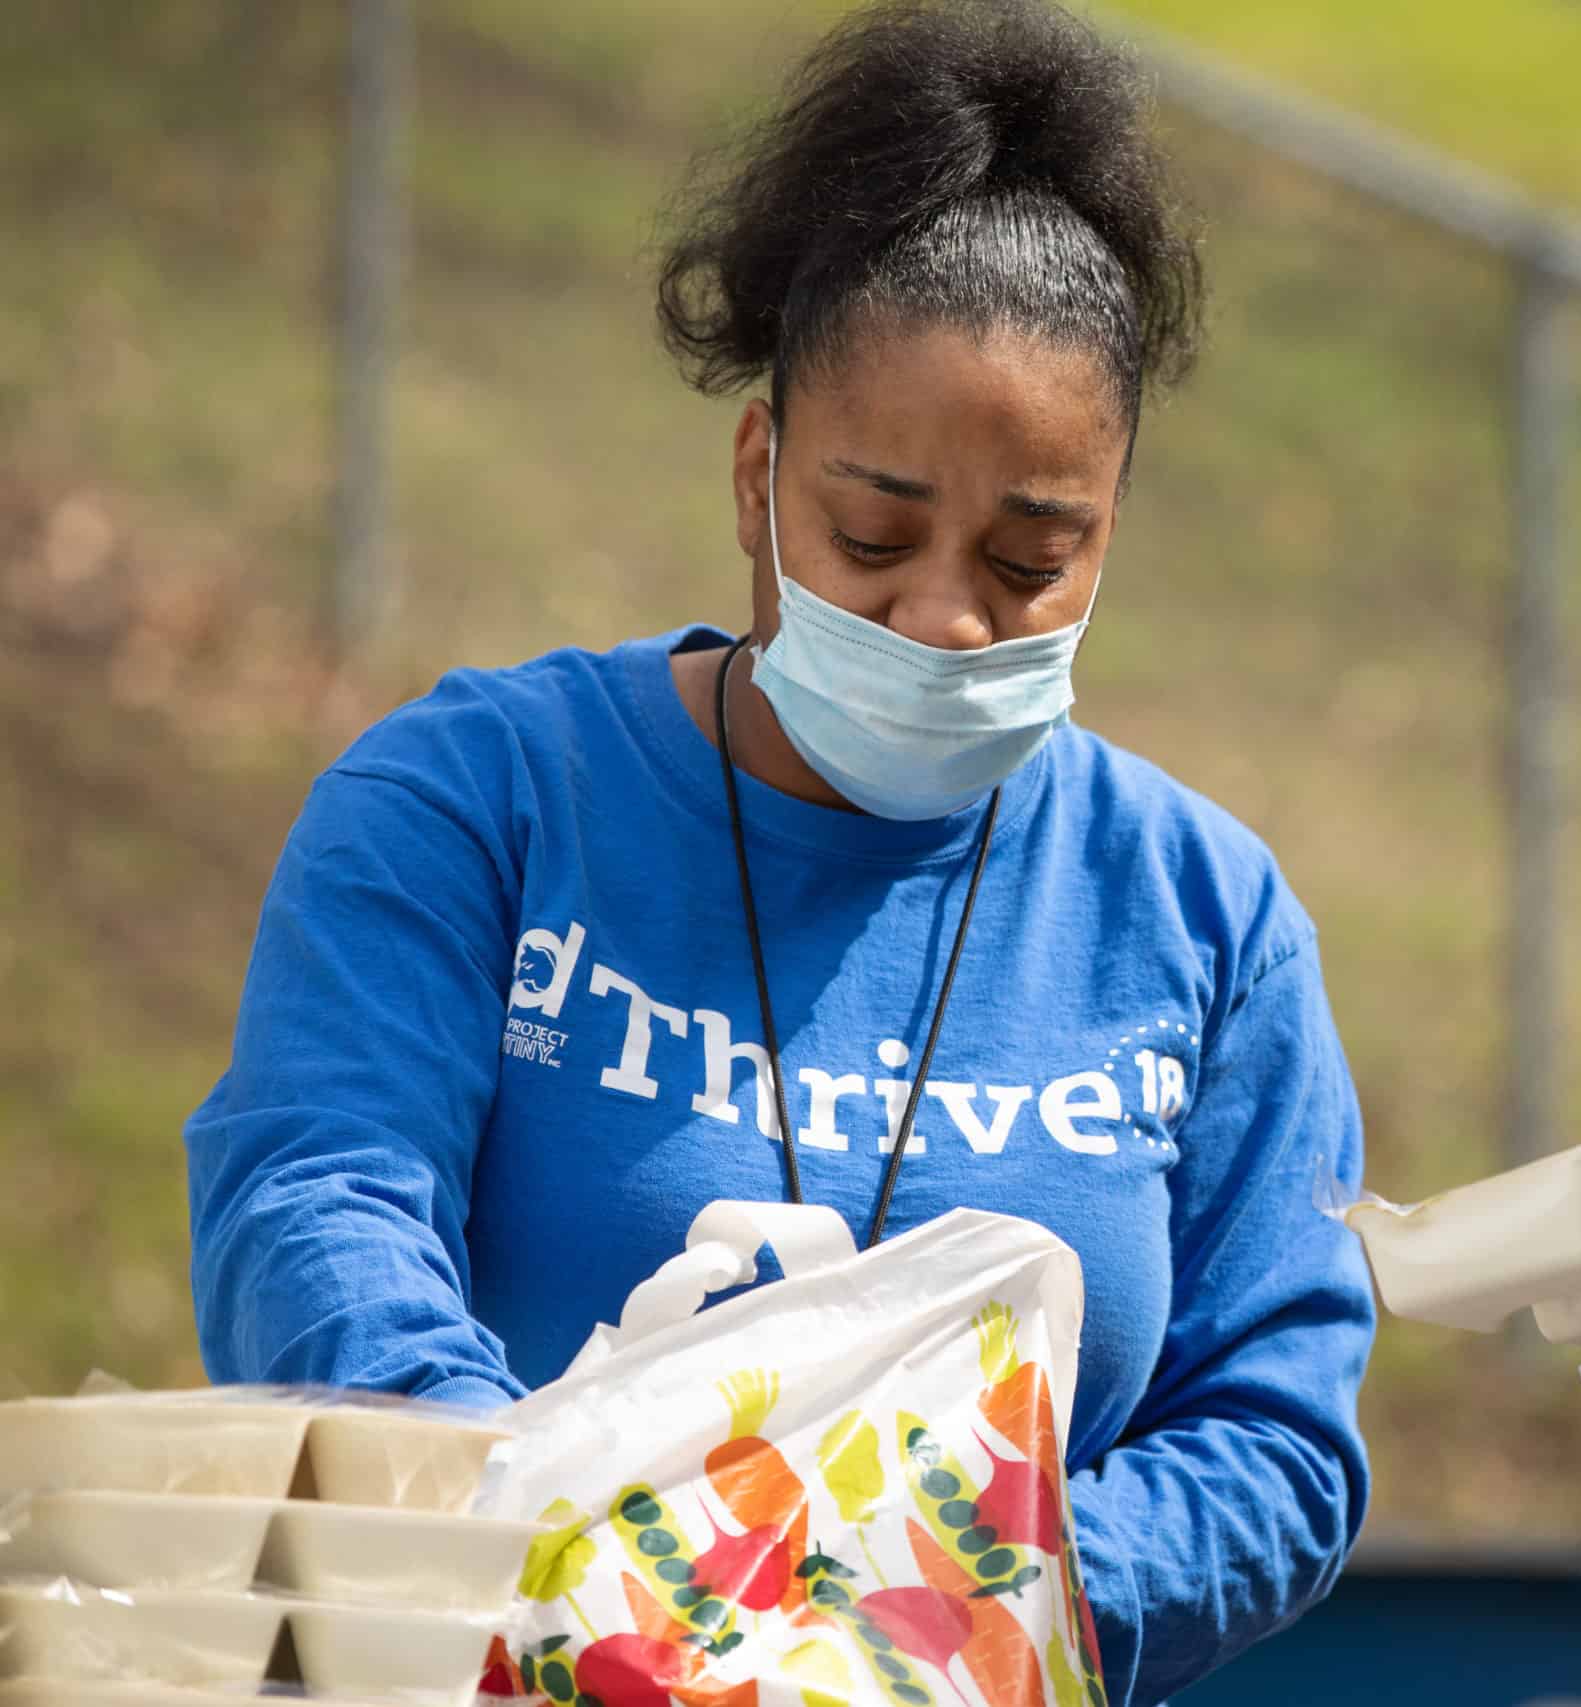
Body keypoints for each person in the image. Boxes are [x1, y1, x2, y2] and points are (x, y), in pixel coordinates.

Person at [183, 5, 1373, 1700]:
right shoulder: (475, 805)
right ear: (758, 477)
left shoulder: (1207, 922)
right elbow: (313, 1205)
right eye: (873, 535)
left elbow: (1276, 1436)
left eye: (1035, 561)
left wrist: (934, 1623)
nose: (949, 618)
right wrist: (543, 1573)